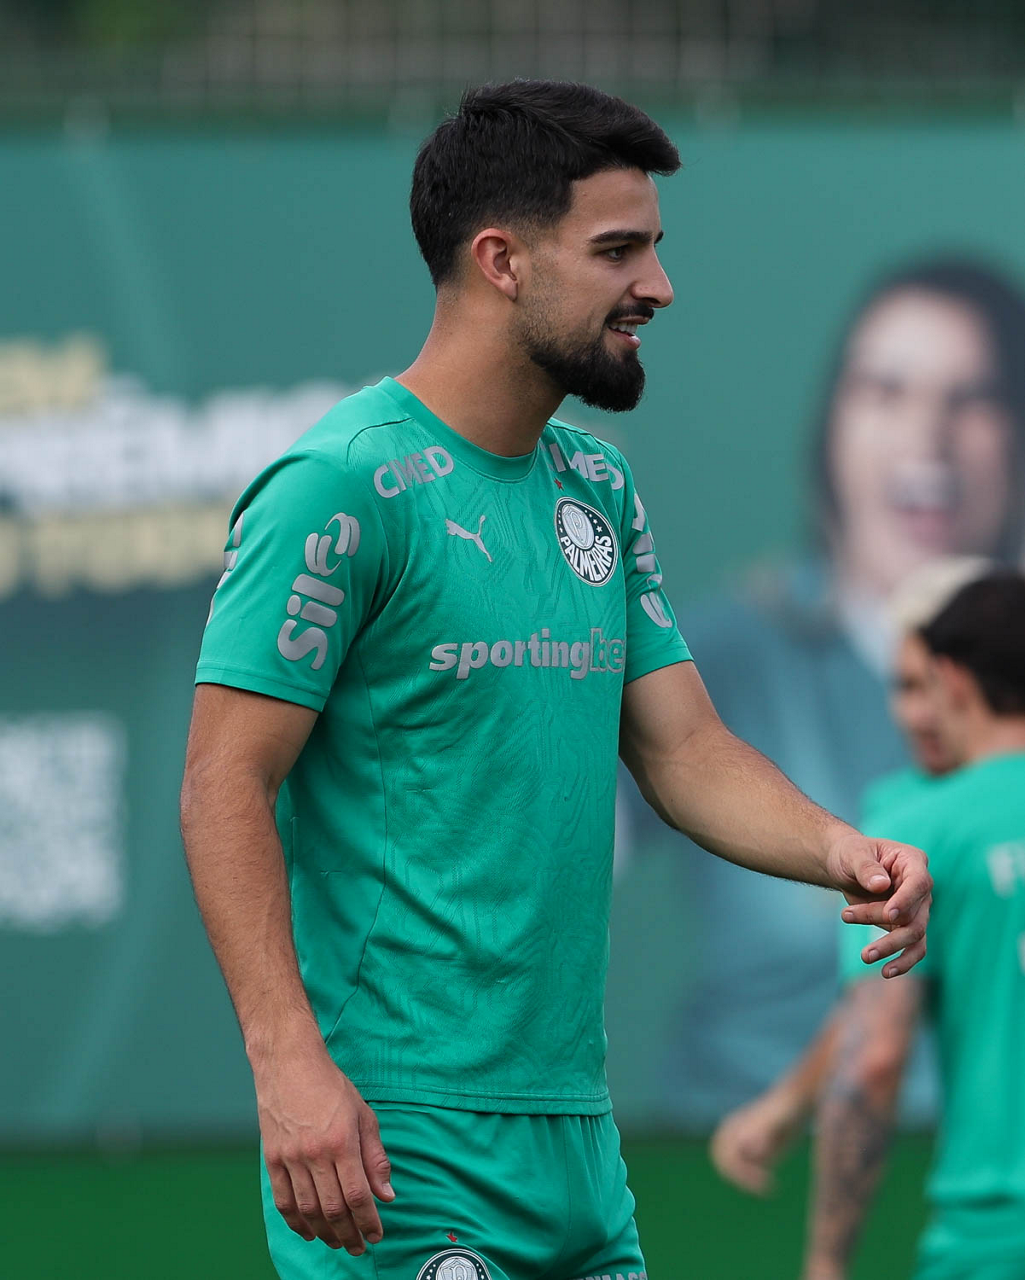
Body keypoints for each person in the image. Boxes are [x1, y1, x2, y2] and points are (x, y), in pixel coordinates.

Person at [179, 80, 930, 1280]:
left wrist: (838, 847)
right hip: (396, 1138)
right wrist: (287, 1064)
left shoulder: (597, 483)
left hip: (576, 1139)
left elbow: (683, 750)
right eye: (617, 250)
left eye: (654, 248)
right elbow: (224, 782)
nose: (657, 286)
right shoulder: (338, 485)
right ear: (501, 261)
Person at [653, 258, 1025, 1122]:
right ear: (829, 429)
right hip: (718, 1137)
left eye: (973, 397)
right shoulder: (720, 649)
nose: (926, 436)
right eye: (884, 390)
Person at [709, 554, 990, 1197]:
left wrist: (825, 1255)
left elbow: (875, 1051)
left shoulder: (914, 817)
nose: (923, 713)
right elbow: (875, 1003)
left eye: (940, 685)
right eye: (906, 686)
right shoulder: (911, 814)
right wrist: (789, 1102)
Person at [800, 570, 1025, 1280]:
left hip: (995, 1236)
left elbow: (872, 1060)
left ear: (949, 678)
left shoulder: (915, 832)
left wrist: (825, 1263)